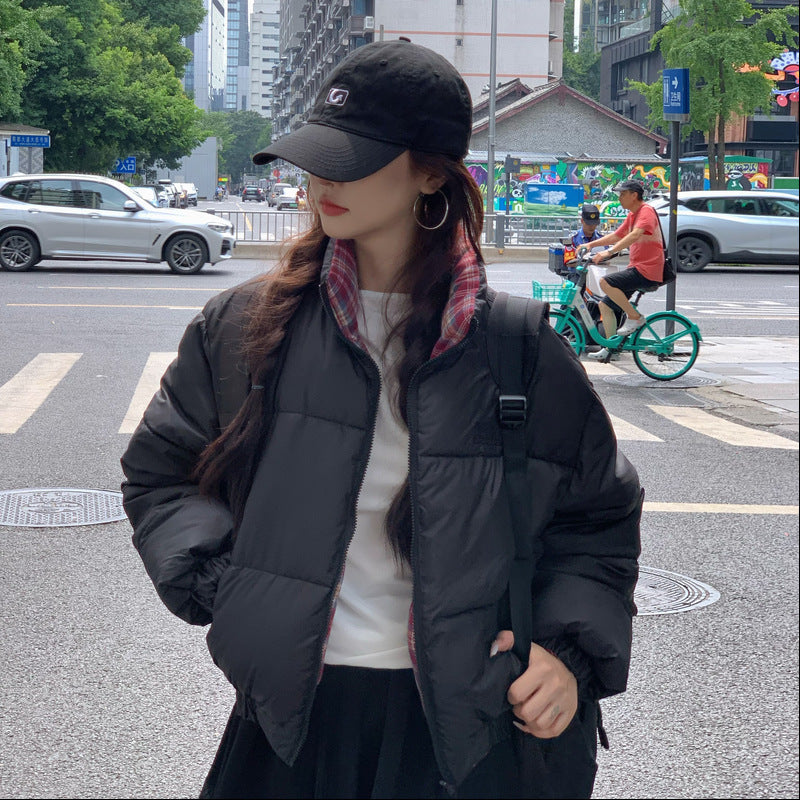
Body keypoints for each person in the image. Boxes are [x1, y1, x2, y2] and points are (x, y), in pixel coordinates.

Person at [120, 39, 641, 800]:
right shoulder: (243, 327)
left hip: (470, 725)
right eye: (316, 158)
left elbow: (597, 516)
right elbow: (162, 474)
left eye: (352, 160)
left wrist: (565, 654)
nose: (321, 181)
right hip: (292, 724)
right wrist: (230, 588)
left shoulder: (516, 346)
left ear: (431, 173)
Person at [582, 181, 664, 361]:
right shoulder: (633, 215)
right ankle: (611, 348)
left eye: (623, 194)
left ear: (634, 195)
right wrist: (591, 245)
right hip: (637, 268)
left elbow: (635, 235)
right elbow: (617, 235)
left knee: (605, 282)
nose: (619, 198)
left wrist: (609, 252)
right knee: (605, 305)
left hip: (647, 270)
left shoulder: (646, 211)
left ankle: (635, 316)